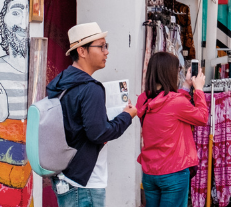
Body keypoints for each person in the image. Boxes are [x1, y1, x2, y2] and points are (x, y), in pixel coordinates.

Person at [45, 22, 137, 205]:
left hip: (66, 174)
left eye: (106, 46)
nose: (106, 51)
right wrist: (127, 116)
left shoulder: (61, 81)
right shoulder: (90, 88)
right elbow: (98, 133)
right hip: (84, 182)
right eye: (101, 46)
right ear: (82, 51)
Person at [136, 53, 208, 207]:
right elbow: (202, 118)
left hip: (150, 172)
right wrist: (199, 90)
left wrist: (186, 87)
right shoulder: (177, 102)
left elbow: (168, 103)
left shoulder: (143, 99)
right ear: (169, 72)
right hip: (173, 172)